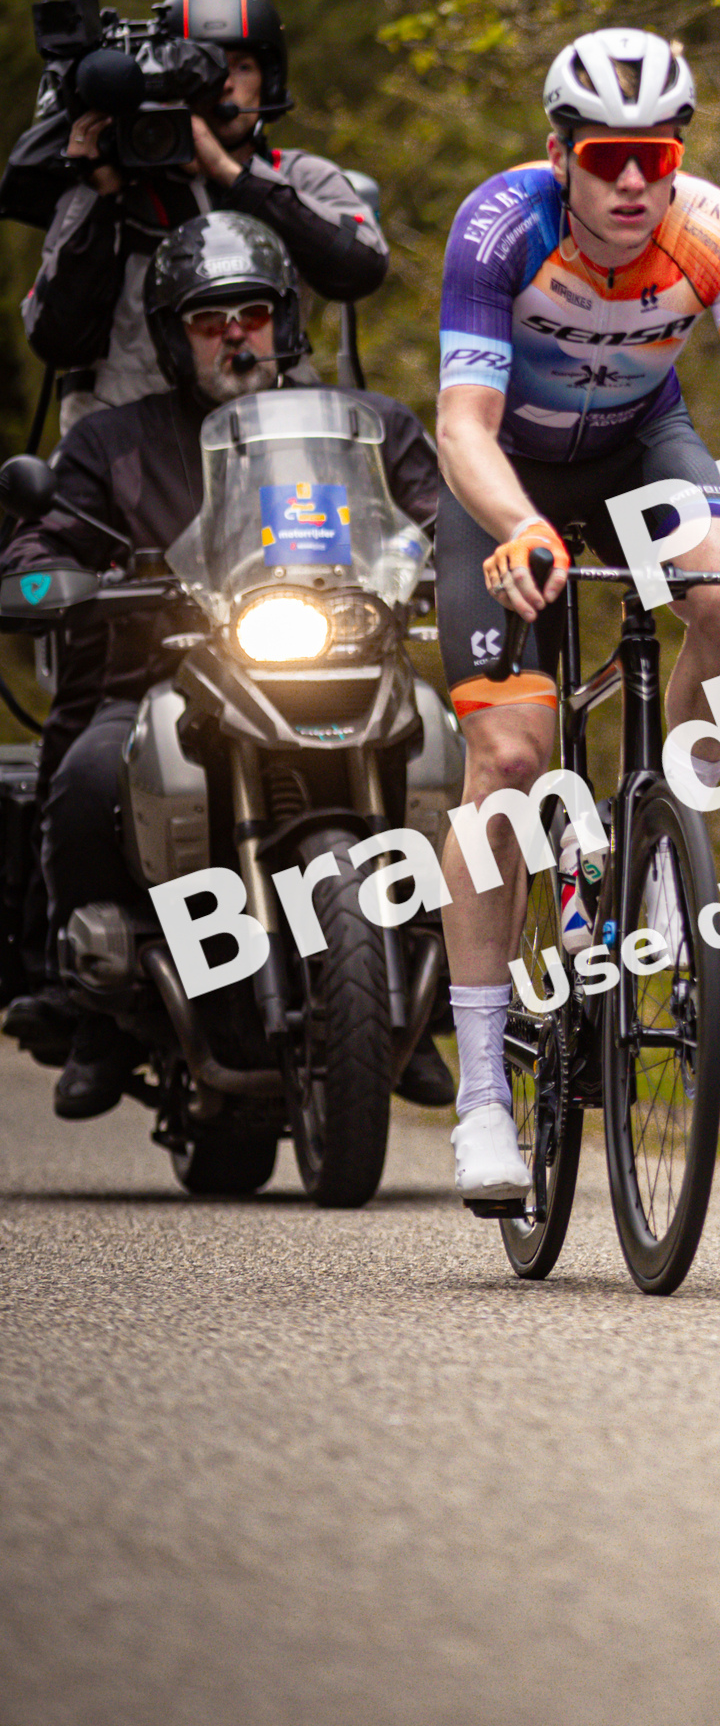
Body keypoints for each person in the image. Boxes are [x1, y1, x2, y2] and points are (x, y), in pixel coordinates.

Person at [433, 27, 720, 1206]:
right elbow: (462, 425)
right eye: (608, 157)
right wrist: (521, 528)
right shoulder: (500, 228)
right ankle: (481, 1094)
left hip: (638, 451)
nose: (633, 182)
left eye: (655, 156)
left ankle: (659, 834)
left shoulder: (719, 235)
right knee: (509, 761)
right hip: (506, 480)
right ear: (562, 153)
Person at [6, 213, 443, 1120]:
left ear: (285, 321)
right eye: (211, 320)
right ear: (173, 336)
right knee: (91, 772)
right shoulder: (112, 444)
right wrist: (39, 570)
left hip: (344, 671)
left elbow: (439, 514)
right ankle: (104, 1013)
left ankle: (421, 1000)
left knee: (452, 752)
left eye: (252, 313)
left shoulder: (370, 429)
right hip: (157, 679)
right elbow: (53, 531)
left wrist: (470, 555)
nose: (236, 334)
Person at [20, 0, 388, 435]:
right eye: (209, 71)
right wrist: (104, 194)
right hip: (135, 457)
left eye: (242, 67)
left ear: (269, 79)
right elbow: (58, 340)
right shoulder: (109, 189)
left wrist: (231, 174)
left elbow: (361, 268)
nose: (225, 86)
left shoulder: (298, 176)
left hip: (279, 441)